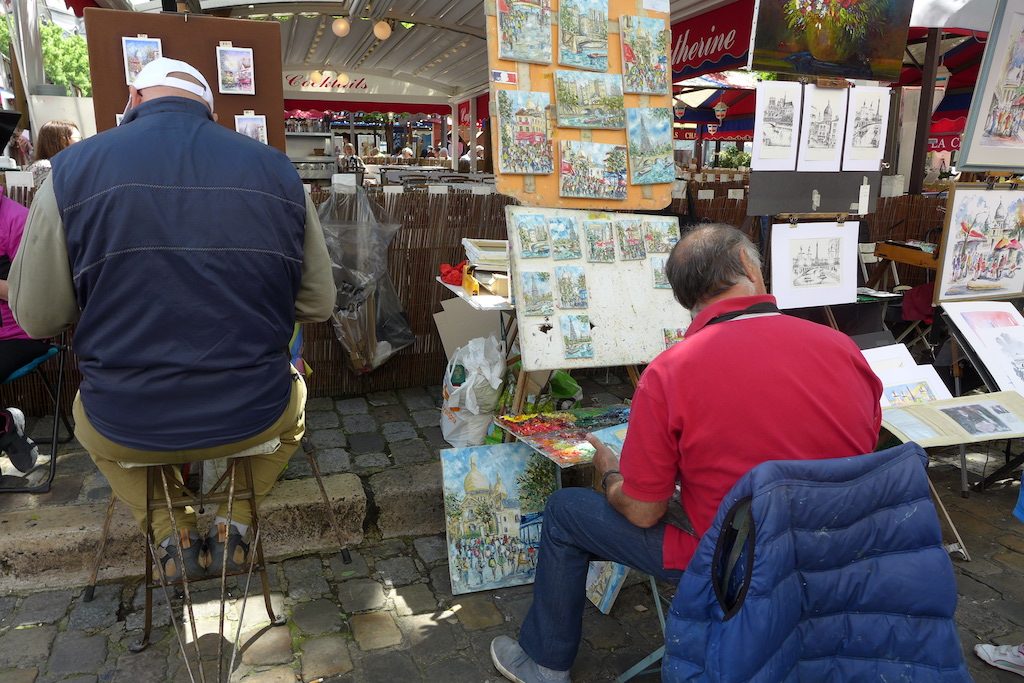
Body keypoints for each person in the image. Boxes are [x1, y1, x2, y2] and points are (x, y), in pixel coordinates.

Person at [489, 224, 882, 683]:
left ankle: (544, 663)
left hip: (730, 560)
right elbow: (862, 448)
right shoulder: (841, 348)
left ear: (684, 299)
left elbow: (642, 510)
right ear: (748, 267)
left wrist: (612, 476)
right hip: (838, 546)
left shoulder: (671, 372)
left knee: (564, 511)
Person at [10, 57, 336, 579]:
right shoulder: (278, 172)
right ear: (208, 108)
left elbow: (38, 317)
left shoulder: (70, 173)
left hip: (127, 418)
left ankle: (169, 525)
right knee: (295, 404)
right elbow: (318, 304)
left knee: (87, 424)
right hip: (254, 410)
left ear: (135, 100)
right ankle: (238, 513)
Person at [24, 120, 81, 188]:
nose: (81, 142)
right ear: (62, 140)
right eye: (78, 138)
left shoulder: (43, 166)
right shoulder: (46, 167)